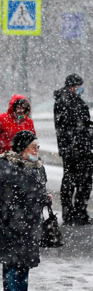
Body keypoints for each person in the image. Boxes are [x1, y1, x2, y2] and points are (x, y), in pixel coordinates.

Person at [0, 130, 51, 291]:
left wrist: (44, 198)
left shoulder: (38, 167)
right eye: (33, 147)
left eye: (37, 147)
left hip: (30, 225)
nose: (36, 150)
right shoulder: (5, 165)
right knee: (11, 265)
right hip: (9, 223)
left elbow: (39, 191)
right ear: (21, 148)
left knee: (24, 266)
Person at [53, 73, 93, 225]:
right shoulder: (64, 102)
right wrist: (70, 146)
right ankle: (70, 213)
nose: (79, 88)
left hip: (83, 148)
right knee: (71, 182)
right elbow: (66, 128)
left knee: (85, 181)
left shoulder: (76, 101)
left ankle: (80, 212)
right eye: (77, 85)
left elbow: (84, 123)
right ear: (71, 86)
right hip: (73, 149)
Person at [0, 95, 35, 178]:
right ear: (13, 107)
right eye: (18, 107)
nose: (20, 111)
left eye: (23, 108)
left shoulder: (29, 122)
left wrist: (33, 160)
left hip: (22, 164)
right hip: (2, 162)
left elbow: (33, 143)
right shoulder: (0, 119)